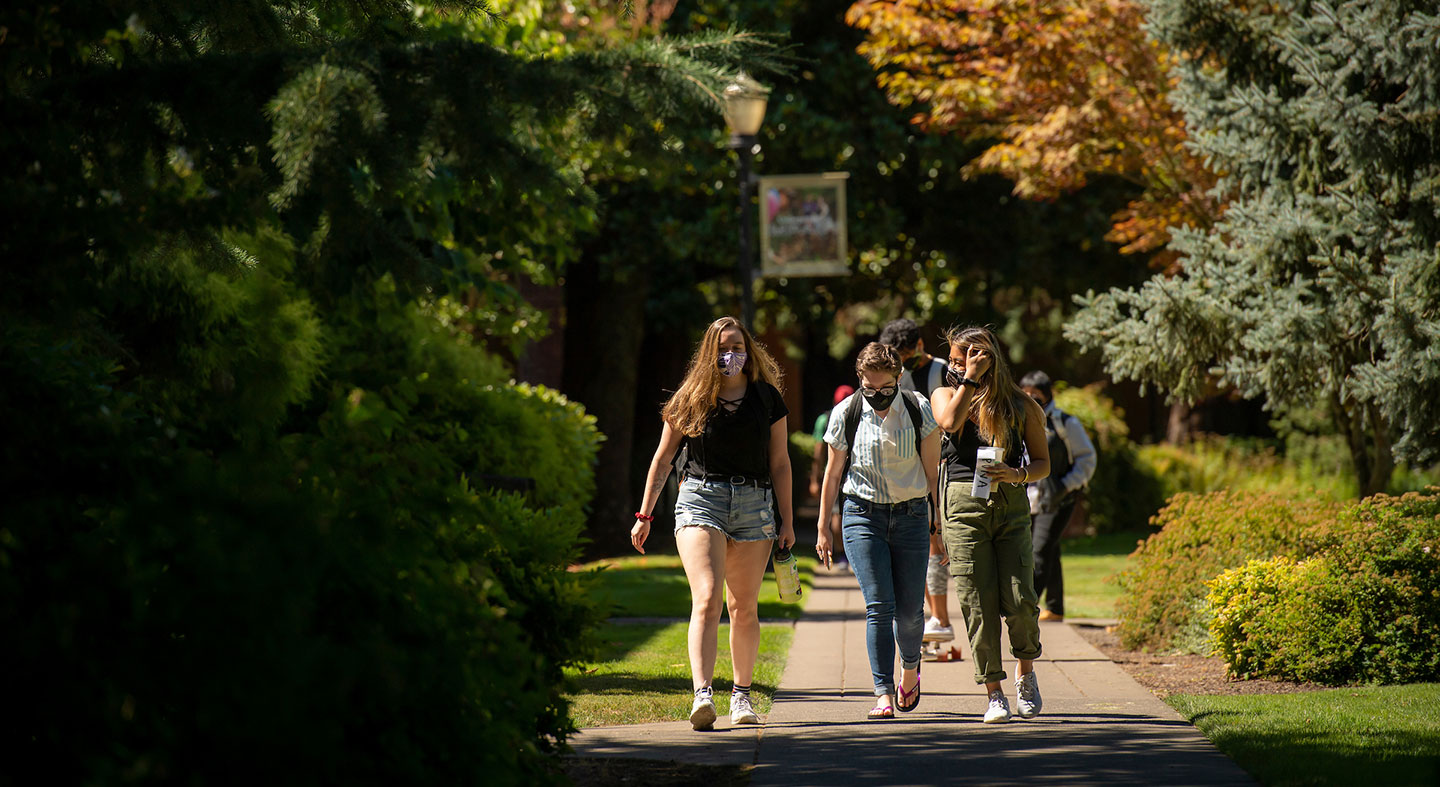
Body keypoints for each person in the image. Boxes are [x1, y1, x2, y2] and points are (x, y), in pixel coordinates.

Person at [632, 317, 796, 731]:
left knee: (743, 607)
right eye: (723, 347)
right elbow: (663, 459)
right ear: (709, 352)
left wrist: (788, 519)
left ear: (749, 349)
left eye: (738, 346)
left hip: (755, 504)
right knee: (706, 597)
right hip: (700, 499)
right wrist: (644, 514)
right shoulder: (692, 397)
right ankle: (702, 694)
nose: (731, 355)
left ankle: (741, 697)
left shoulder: (767, 398)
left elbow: (780, 462)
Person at [931, 326, 1051, 723]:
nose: (953, 366)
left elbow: (1042, 464)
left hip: (1010, 505)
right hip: (963, 507)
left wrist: (1014, 475)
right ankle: (993, 692)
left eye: (961, 359)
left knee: (1020, 601)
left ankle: (1026, 675)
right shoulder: (946, 394)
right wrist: (968, 380)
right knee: (977, 605)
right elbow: (949, 423)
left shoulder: (1022, 405)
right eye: (952, 360)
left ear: (987, 359)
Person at [815, 342, 941, 719]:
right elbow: (833, 474)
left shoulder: (919, 410)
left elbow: (933, 474)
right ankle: (883, 692)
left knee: (910, 612)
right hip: (862, 515)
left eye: (886, 389)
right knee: (879, 606)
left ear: (898, 379)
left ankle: (910, 668)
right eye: (869, 389)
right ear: (860, 380)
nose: (877, 397)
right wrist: (824, 527)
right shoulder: (847, 412)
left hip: (912, 516)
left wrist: (940, 524)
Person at [879, 318, 956, 651]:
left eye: (905, 354)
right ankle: (932, 620)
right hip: (912, 470)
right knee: (919, 546)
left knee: (936, 543)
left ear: (919, 346)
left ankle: (941, 618)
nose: (901, 362)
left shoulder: (943, 372)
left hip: (945, 466)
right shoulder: (900, 378)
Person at [1018, 371, 1097, 622]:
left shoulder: (1064, 423)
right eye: (1026, 394)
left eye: (1036, 395)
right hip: (1027, 498)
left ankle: (1026, 609)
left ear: (1047, 395)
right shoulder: (1018, 418)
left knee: (1039, 552)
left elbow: (1087, 458)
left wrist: (1066, 485)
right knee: (1049, 549)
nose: (1030, 398)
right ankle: (1055, 608)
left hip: (1057, 499)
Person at [809, 384, 856, 569]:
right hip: (852, 471)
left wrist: (814, 478)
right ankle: (848, 554)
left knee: (836, 515)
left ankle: (842, 555)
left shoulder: (824, 418)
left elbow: (818, 452)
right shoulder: (859, 414)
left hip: (834, 471)